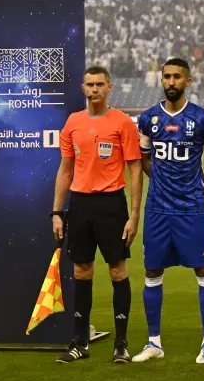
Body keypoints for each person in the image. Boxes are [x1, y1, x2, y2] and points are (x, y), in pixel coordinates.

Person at [131, 58, 204, 364]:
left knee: (203, 270)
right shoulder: (148, 119)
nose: (171, 81)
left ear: (188, 81)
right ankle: (154, 342)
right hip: (158, 208)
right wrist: (158, 181)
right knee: (152, 271)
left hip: (191, 208)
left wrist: (202, 184)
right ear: (162, 81)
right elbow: (143, 157)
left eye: (177, 77)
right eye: (167, 77)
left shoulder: (202, 119)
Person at [51, 65, 143, 363]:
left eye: (99, 84)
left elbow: (135, 168)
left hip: (111, 205)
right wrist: (56, 211)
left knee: (117, 270)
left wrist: (133, 214)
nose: (94, 89)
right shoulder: (73, 122)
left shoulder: (122, 123)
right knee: (81, 271)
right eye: (89, 84)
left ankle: (121, 343)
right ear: (83, 88)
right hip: (80, 205)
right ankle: (80, 342)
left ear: (109, 87)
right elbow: (65, 169)